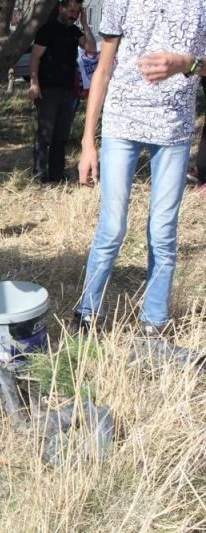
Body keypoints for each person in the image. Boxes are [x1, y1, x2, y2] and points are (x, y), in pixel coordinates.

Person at [75, 0, 206, 335]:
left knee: (163, 231)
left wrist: (187, 63)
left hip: (174, 129)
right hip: (122, 123)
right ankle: (88, 312)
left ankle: (154, 322)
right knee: (112, 224)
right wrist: (88, 141)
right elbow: (103, 70)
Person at [28, 0, 95, 183]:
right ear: (61, 8)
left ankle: (57, 174)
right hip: (48, 90)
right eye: (70, 10)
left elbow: (91, 48)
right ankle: (40, 174)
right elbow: (35, 58)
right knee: (45, 134)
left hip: (69, 92)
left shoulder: (75, 32)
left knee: (61, 136)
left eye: (77, 11)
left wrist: (85, 24)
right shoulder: (47, 30)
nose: (73, 14)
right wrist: (34, 83)